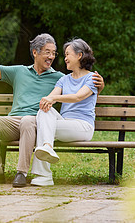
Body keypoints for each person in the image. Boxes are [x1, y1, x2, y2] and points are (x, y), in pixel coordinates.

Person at [0, 34, 104, 187]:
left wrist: (100, 87)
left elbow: (80, 89)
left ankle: (21, 173)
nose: (52, 57)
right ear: (35, 52)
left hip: (34, 122)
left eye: (54, 53)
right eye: (47, 52)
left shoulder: (57, 76)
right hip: (15, 121)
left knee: (29, 120)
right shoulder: (20, 72)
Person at [34, 38, 98, 176]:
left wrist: (53, 98)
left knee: (43, 125)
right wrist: (47, 100)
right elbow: (48, 100)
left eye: (68, 54)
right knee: (44, 112)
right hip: (66, 124)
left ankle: (43, 175)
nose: (65, 59)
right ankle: (47, 147)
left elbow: (77, 97)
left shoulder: (92, 78)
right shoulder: (64, 79)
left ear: (79, 55)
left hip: (83, 127)